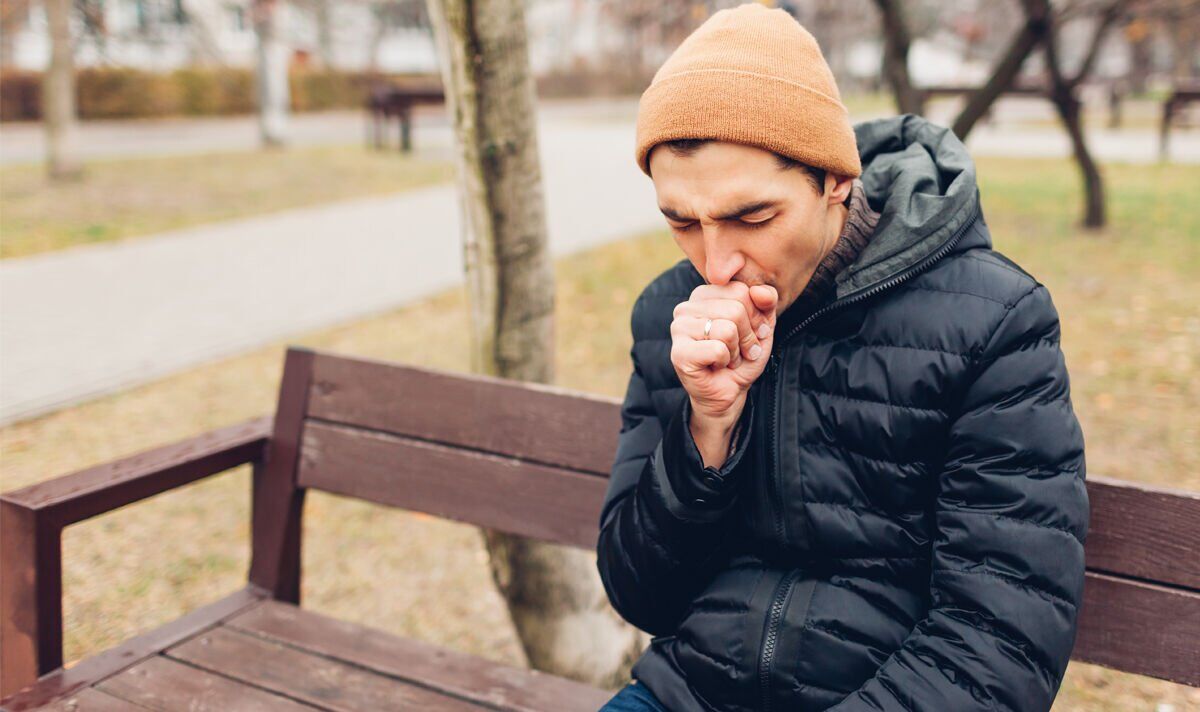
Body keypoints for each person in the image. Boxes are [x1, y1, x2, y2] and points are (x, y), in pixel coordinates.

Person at [595, 3, 1089, 711]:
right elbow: (640, 595)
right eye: (682, 222)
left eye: (752, 217)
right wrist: (706, 430)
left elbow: (998, 645)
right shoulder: (670, 318)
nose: (717, 263)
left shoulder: (992, 323)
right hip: (686, 694)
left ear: (836, 181)